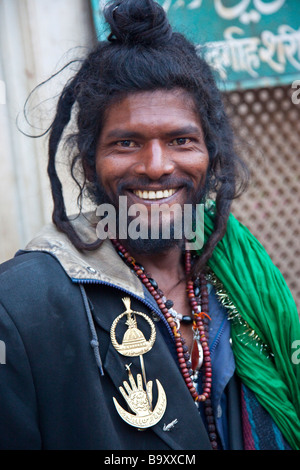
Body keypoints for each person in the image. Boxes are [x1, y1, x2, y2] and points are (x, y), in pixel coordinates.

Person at [0, 0, 299, 451]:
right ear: (89, 162)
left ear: (210, 156)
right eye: (126, 142)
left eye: (181, 140)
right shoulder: (20, 307)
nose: (157, 166)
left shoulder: (239, 274)